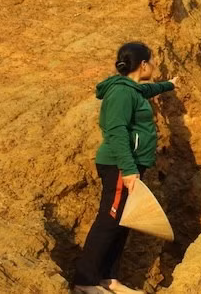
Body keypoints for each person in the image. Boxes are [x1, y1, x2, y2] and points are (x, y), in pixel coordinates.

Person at [73, 42, 178, 294]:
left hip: (128, 166)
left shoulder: (132, 90)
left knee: (122, 221)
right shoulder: (121, 93)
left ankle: (109, 280)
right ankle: (85, 282)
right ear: (143, 65)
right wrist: (129, 170)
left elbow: (148, 90)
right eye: (151, 61)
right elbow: (116, 131)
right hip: (119, 166)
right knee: (108, 222)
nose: (153, 65)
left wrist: (170, 85)